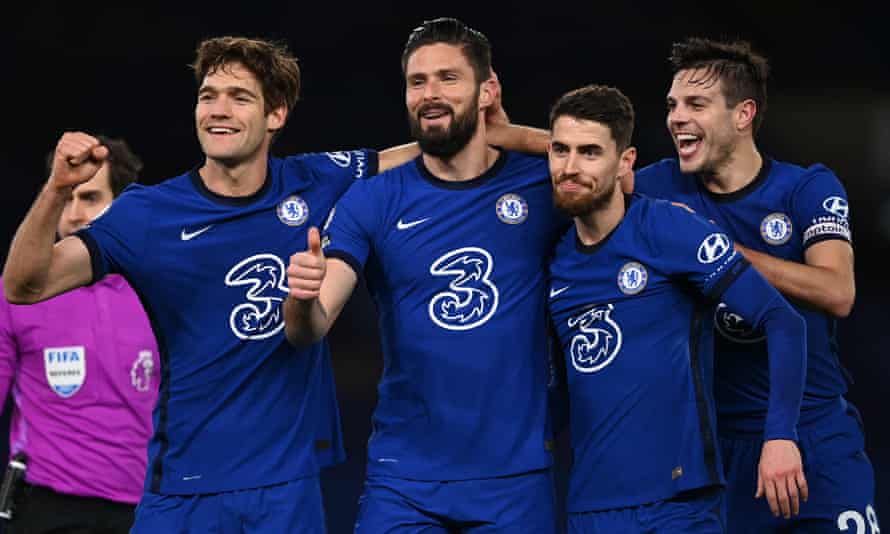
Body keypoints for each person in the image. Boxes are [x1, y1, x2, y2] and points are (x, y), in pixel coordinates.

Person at [0, 33, 546, 531]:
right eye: (208, 95)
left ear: (276, 114)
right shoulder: (147, 215)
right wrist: (54, 191)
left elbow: (430, 151)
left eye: (239, 97)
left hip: (287, 491)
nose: (218, 109)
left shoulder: (315, 179)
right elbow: (24, 286)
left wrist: (508, 134)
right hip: (184, 488)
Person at [285, 17, 564, 533]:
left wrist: (511, 135)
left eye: (447, 79)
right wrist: (300, 299)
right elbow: (311, 327)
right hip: (405, 480)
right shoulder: (372, 198)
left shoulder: (541, 186)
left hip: (515, 480)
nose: (430, 94)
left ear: (488, 90)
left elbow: (614, 171)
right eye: (417, 82)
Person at [634, 37, 880, 532]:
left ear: (743, 114)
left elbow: (838, 291)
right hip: (713, 448)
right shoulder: (659, 185)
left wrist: (716, 249)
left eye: (695, 104)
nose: (676, 117)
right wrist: (497, 131)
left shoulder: (804, 188)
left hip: (812, 436)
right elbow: (580, 161)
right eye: (672, 105)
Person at [547, 84, 808, 533]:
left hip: (679, 503)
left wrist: (781, 434)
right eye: (560, 150)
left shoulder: (667, 227)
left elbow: (783, 320)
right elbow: (559, 395)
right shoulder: (555, 265)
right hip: (590, 507)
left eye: (590, 152)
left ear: (625, 163)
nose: (570, 167)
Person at [0, 137, 158, 534]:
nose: (73, 214)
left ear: (121, 206)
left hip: (146, 509)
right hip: (47, 507)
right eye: (64, 198)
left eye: (89, 198)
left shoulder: (161, 291)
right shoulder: (16, 295)